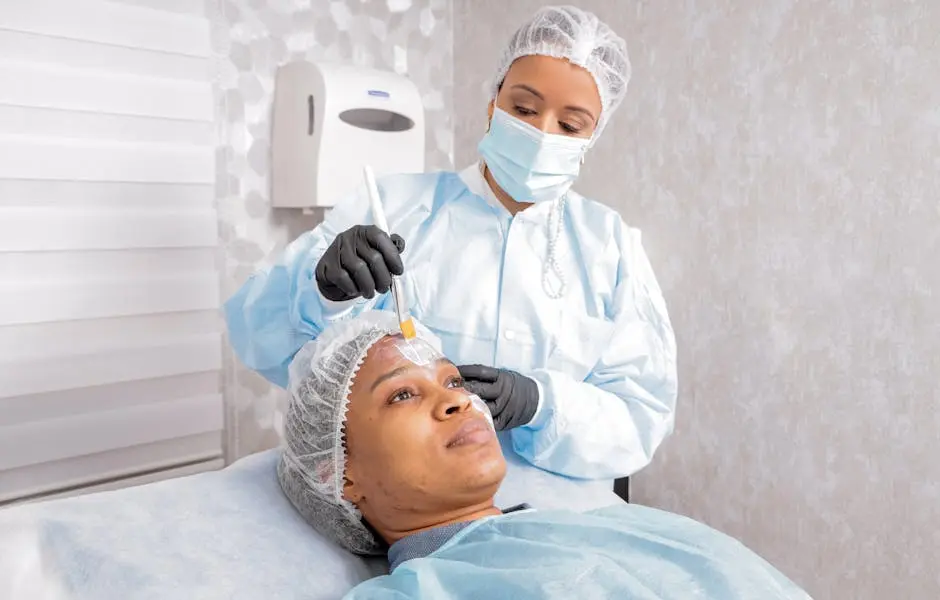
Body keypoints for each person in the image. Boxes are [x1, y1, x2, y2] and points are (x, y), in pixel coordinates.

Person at [227, 5, 677, 479]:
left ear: (590, 139)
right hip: (405, 497)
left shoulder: (610, 247)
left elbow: (641, 416)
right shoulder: (393, 206)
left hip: (555, 510)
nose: (541, 133)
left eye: (569, 125)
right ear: (493, 102)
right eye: (523, 108)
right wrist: (321, 291)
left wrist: (542, 404)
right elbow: (258, 340)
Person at [278, 312, 810, 599]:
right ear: (341, 476)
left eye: (454, 380)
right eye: (402, 394)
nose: (457, 400)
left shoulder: (629, 527)